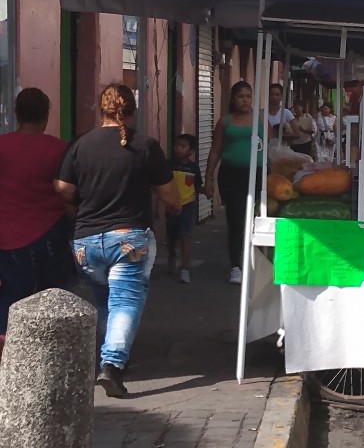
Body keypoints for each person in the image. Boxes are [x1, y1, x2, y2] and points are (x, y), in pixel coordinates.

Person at [55, 83, 181, 397]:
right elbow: (169, 195)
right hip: (128, 241)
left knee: (104, 302)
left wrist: (76, 210)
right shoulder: (145, 145)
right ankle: (112, 366)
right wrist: (175, 206)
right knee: (124, 302)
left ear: (101, 110)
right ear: (133, 110)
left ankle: (110, 357)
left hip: (85, 243)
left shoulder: (80, 145)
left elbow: (61, 187)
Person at [0, 88, 74, 358]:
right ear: (46, 116)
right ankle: (49, 353)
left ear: (16, 114)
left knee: (10, 295)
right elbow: (68, 193)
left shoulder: (2, 146)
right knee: (53, 296)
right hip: (49, 233)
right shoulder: (59, 149)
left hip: (6, 237)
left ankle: (7, 347)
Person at [205, 81, 266, 284]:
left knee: (257, 216)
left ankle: (257, 260)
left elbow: (271, 146)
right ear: (233, 99)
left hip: (256, 174)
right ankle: (236, 265)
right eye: (241, 96)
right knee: (236, 219)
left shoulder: (259, 120)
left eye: (249, 96)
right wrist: (209, 178)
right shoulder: (225, 122)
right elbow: (215, 150)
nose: (245, 100)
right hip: (231, 175)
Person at [166, 133, 204, 283]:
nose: (178, 149)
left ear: (191, 151)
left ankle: (185, 268)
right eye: (177, 145)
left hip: (187, 205)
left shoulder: (193, 168)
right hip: (170, 205)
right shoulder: (168, 165)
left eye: (183, 146)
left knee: (185, 235)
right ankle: (172, 255)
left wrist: (206, 191)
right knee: (172, 236)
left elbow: (197, 185)